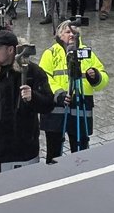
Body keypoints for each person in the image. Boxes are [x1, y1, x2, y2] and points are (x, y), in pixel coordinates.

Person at [0, 29, 53, 174]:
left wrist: (34, 97)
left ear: (11, 50)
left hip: (26, 150)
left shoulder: (32, 72)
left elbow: (48, 104)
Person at [39, 21, 107, 162]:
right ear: (60, 34)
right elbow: (43, 78)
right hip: (56, 109)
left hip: (80, 107)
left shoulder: (87, 53)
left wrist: (95, 76)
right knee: (54, 152)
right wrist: (58, 93)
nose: (71, 35)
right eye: (68, 32)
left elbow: (103, 77)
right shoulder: (50, 53)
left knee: (81, 152)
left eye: (74, 32)